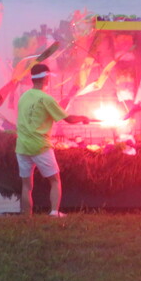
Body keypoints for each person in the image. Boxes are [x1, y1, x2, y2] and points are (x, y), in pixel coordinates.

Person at [16, 64, 90, 217]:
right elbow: (68, 119)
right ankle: (54, 212)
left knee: (26, 185)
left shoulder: (24, 96)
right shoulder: (46, 99)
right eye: (49, 77)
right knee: (55, 180)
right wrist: (83, 118)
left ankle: (26, 216)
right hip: (40, 146)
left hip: (22, 147)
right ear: (46, 78)